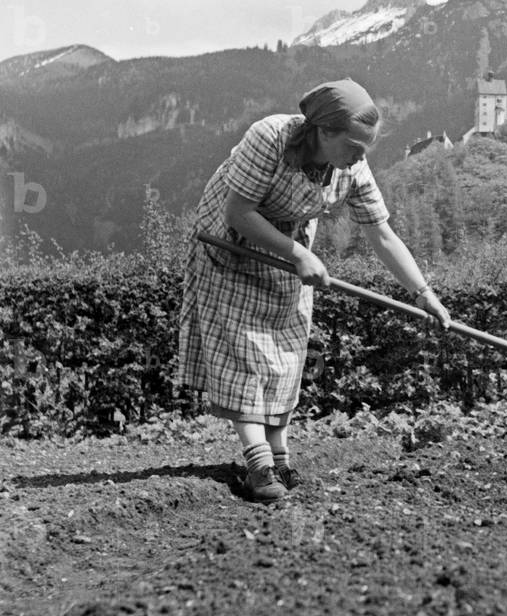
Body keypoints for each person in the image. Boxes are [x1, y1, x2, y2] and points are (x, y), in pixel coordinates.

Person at [177, 78, 451, 503]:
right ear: (324, 132)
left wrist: (423, 294)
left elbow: (382, 235)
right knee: (243, 352)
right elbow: (238, 210)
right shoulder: (269, 137)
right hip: (230, 243)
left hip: (288, 253)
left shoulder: (350, 168)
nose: (360, 158)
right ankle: (258, 464)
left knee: (287, 350)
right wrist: (298, 255)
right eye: (355, 148)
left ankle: (280, 456)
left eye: (365, 150)